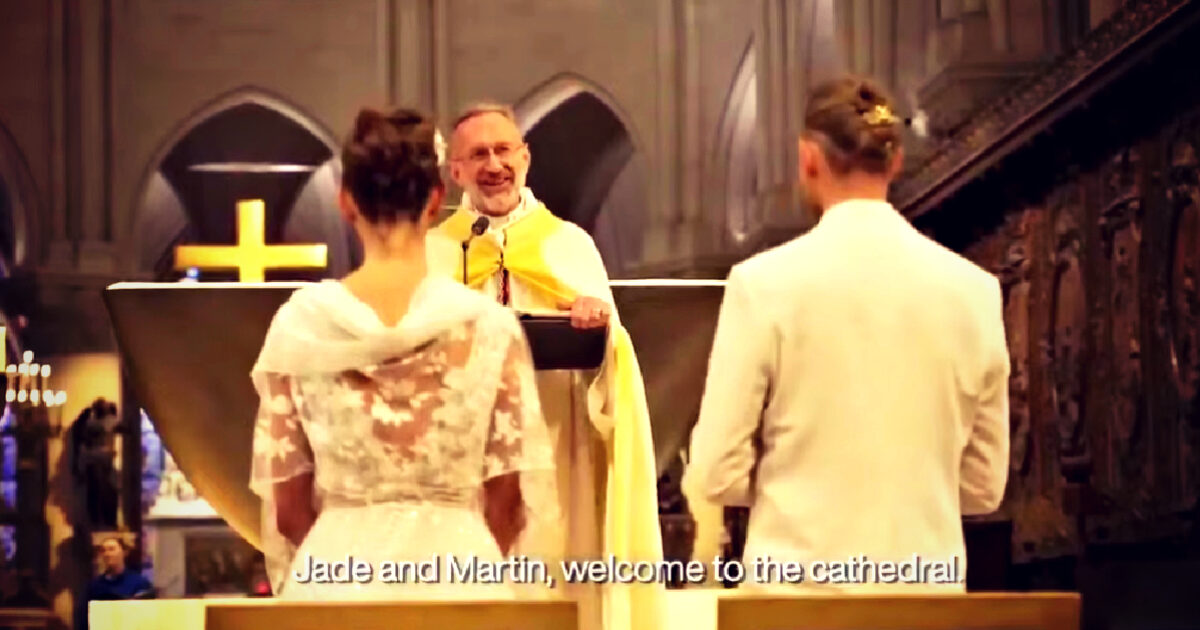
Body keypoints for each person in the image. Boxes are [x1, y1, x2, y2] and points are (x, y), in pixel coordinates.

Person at [685, 76, 1010, 593]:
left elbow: (716, 471)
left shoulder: (763, 285)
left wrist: (799, 482)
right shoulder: (975, 291)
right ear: (895, 161)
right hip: (925, 601)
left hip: (796, 601)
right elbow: (984, 487)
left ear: (807, 159)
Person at [249, 106, 560, 600]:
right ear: (436, 200)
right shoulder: (487, 326)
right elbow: (509, 504)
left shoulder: (300, 325)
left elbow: (287, 509)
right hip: (461, 580)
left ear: (346, 202)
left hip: (335, 583)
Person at [425, 103, 662, 630]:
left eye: (503, 150)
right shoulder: (436, 255)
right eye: (478, 154)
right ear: (456, 171)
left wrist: (597, 328)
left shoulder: (570, 246)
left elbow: (615, 372)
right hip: (463, 463)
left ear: (525, 158)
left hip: (558, 454)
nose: (494, 165)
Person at [79, 537, 154, 630]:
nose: (107, 554)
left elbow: (148, 618)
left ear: (124, 552)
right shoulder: (94, 586)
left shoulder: (139, 583)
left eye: (111, 549)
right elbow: (84, 618)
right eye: (103, 551)